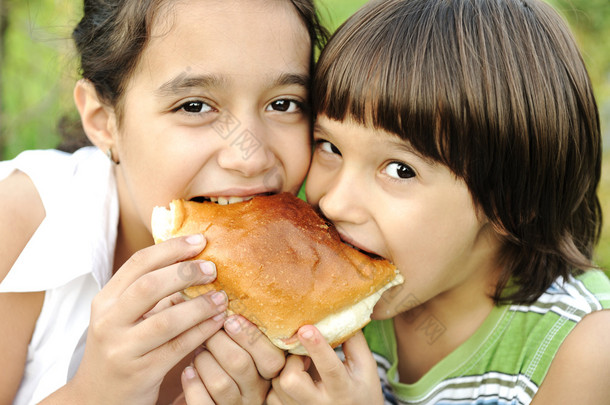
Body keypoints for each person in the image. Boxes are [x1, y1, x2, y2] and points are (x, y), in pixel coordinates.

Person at [240, 0, 607, 404]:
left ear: (512, 202)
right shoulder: (321, 302)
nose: (334, 203)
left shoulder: (581, 346)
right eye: (329, 146)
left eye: (400, 170)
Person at [0, 0, 327, 403]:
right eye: (194, 106)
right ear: (104, 121)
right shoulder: (21, 219)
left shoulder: (322, 282)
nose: (251, 157)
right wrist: (95, 393)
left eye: (284, 103)